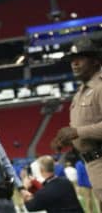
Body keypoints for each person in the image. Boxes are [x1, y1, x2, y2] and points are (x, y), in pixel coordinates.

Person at [53, 38, 102, 202]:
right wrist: (66, 140)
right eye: (72, 60)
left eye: (80, 58)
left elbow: (79, 130)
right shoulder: (80, 92)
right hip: (92, 163)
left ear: (95, 61)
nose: (74, 63)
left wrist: (77, 132)